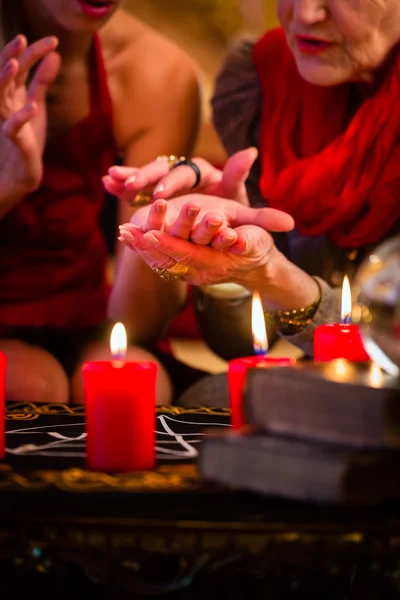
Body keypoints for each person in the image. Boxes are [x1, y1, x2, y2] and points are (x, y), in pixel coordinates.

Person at [106, 0, 400, 372]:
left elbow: (389, 351)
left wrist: (276, 276)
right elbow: (238, 345)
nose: (306, 14)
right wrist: (230, 259)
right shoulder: (265, 78)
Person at [0, 0, 203, 405]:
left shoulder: (158, 71)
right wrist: (8, 186)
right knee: (31, 386)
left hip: (88, 317)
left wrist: (166, 243)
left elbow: (136, 322)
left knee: (132, 390)